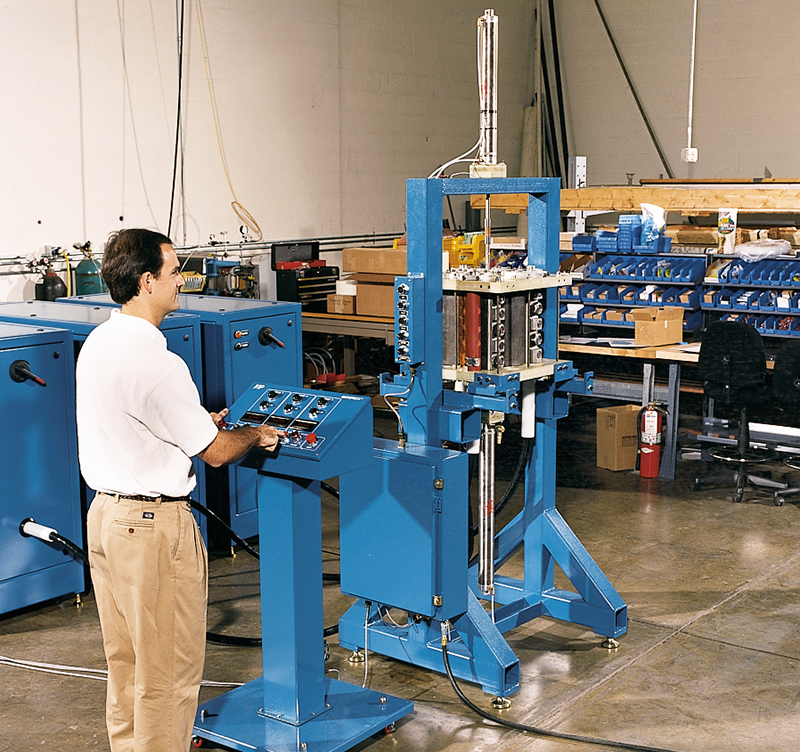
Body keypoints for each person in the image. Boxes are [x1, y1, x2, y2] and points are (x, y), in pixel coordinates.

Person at [75, 228, 281, 752]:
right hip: (152, 530)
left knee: (128, 664)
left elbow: (136, 421)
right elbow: (215, 452)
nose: (181, 281)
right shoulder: (159, 363)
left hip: (106, 519)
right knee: (167, 673)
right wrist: (255, 434)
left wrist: (192, 422)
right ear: (147, 281)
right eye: (173, 272)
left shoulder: (101, 341)